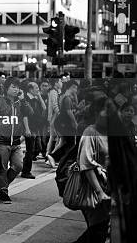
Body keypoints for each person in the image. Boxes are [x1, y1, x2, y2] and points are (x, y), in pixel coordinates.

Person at [74, 95, 111, 243]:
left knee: (101, 230)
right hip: (95, 191)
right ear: (96, 112)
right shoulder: (90, 132)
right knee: (97, 231)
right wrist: (99, 192)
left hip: (111, 190)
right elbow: (86, 165)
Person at [0, 77, 25, 204]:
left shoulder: (20, 103)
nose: (16, 89)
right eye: (13, 87)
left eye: (17, 87)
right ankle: (3, 192)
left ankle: (3, 185)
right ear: (6, 88)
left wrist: (23, 100)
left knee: (18, 165)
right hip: (1, 141)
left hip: (16, 141)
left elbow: (29, 114)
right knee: (2, 168)